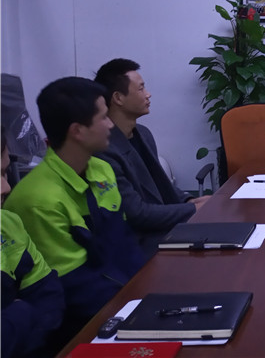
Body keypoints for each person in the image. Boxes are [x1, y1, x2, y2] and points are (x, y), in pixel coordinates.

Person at [4, 77, 145, 343]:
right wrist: (139, 306)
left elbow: (125, 244)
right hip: (83, 325)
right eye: (103, 117)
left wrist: (148, 288)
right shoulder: (38, 199)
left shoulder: (102, 169)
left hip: (123, 300)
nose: (111, 124)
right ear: (78, 131)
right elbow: (76, 287)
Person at [94, 58, 210, 256]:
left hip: (167, 228)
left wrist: (190, 200)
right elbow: (137, 214)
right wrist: (194, 209)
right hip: (142, 241)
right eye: (141, 89)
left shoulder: (143, 133)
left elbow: (159, 185)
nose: (148, 94)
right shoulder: (105, 149)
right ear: (118, 98)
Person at [1, 127, 65, 358]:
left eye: (4, 173)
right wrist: (22, 312)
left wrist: (14, 317)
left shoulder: (8, 222)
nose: (6, 187)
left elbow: (50, 300)